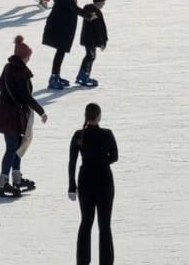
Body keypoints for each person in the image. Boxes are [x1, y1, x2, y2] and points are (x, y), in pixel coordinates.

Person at [0, 35, 48, 197]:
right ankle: (3, 183)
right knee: (12, 148)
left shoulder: (8, 67)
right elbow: (26, 96)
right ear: (25, 57)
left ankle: (16, 179)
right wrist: (41, 111)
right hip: (13, 115)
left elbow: (0, 85)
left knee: (16, 147)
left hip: (5, 113)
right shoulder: (21, 72)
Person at [68, 102, 118, 265]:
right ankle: (106, 262)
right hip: (104, 180)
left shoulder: (79, 135)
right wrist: (101, 161)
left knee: (86, 222)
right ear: (99, 116)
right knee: (105, 224)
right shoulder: (107, 134)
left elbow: (72, 162)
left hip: (85, 180)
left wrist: (71, 185)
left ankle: (82, 261)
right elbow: (114, 156)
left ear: (86, 116)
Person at [42, 0, 95, 90]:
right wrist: (88, 16)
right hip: (59, 25)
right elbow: (73, 7)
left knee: (61, 51)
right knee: (60, 50)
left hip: (63, 24)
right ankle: (53, 78)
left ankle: (56, 75)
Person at [77, 0, 108, 88]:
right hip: (90, 39)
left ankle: (84, 75)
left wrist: (103, 41)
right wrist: (102, 42)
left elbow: (101, 28)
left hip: (91, 40)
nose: (103, 4)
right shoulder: (92, 11)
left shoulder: (96, 12)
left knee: (91, 56)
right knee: (90, 56)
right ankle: (83, 76)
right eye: (102, 2)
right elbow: (98, 28)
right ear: (98, 2)